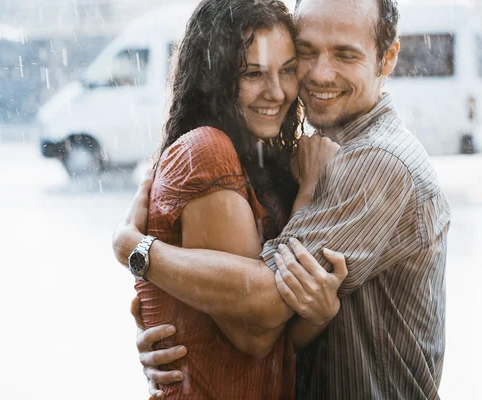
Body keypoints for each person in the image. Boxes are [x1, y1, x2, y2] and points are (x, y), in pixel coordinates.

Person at [113, 0, 451, 398]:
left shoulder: (376, 160)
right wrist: (178, 322)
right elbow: (260, 326)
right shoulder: (298, 153)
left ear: (388, 57)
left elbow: (265, 307)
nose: (320, 74)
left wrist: (136, 251)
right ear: (217, 76)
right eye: (306, 53)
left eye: (345, 54)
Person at [123, 0, 347, 398]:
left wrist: (320, 314)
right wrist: (133, 249)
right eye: (253, 74)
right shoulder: (206, 150)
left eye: (287, 70)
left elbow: (272, 343)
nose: (276, 92)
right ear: (214, 77)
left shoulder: (258, 155)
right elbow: (254, 336)